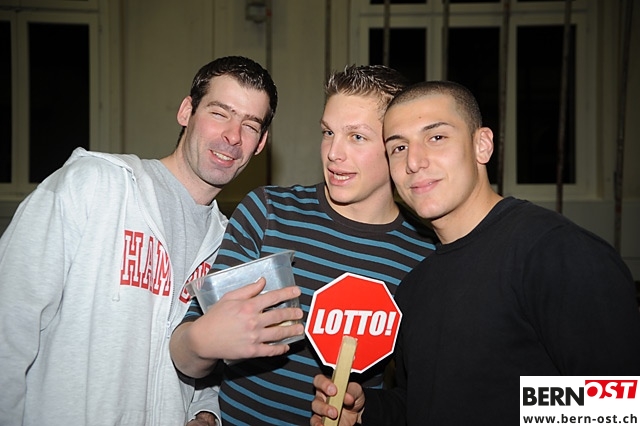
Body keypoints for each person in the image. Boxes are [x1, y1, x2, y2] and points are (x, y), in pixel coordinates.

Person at [311, 80, 640, 426]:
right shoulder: (416, 284)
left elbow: (621, 402)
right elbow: (425, 401)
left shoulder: (555, 251)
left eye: (436, 137)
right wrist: (367, 411)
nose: (414, 162)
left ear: (482, 145)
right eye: (399, 147)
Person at [0, 56, 305, 426]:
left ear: (261, 143)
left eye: (250, 125)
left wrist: (205, 410)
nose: (232, 136)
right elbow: (9, 326)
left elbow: (210, 356)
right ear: (186, 111)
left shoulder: (232, 243)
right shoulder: (93, 186)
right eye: (219, 113)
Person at [169, 64, 438, 425]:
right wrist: (202, 341)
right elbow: (185, 353)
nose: (333, 153)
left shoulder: (424, 253)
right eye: (328, 132)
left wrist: (365, 410)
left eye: (357, 137)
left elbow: (420, 394)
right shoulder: (268, 212)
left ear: (396, 147)